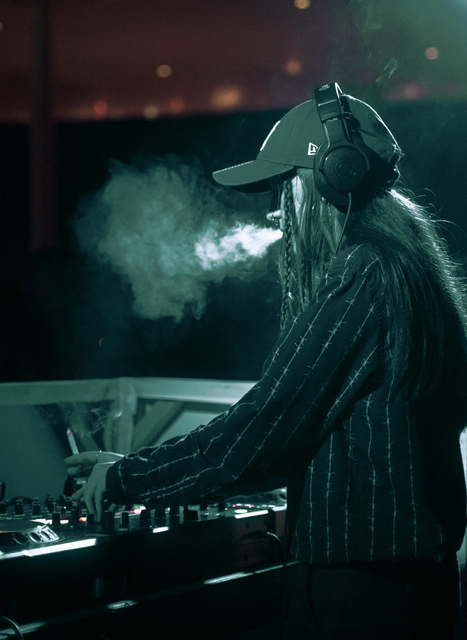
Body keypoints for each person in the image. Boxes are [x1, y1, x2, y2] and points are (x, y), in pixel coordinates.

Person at [65, 83, 467, 639]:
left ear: (335, 174)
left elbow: (264, 428)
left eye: (285, 186)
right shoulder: (407, 265)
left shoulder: (364, 272)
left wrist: (126, 478)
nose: (279, 210)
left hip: (361, 596)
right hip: (405, 587)